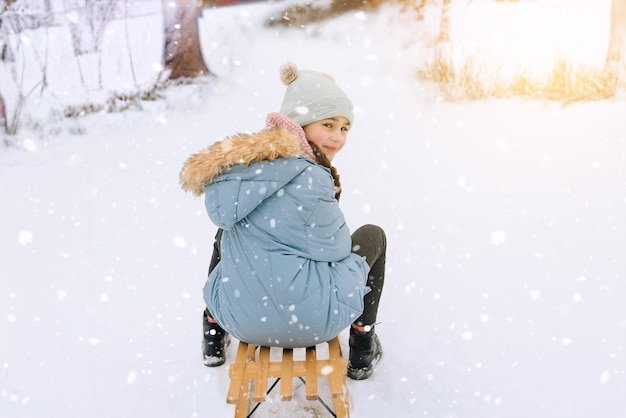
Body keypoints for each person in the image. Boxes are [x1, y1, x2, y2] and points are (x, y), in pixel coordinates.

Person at [179, 62, 387, 380]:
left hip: (238, 317)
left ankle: (213, 333)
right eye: (328, 124)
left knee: (227, 233)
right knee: (372, 236)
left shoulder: (242, 167)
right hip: (310, 323)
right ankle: (362, 346)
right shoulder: (313, 176)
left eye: (345, 128)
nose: (338, 137)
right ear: (300, 123)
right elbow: (337, 250)